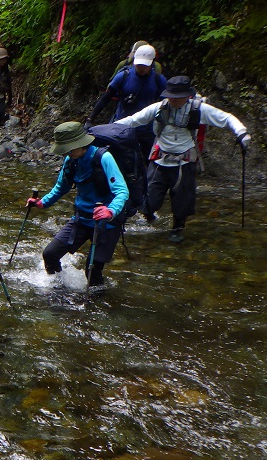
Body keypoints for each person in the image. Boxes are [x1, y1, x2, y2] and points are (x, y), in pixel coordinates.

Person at [114, 76, 251, 242]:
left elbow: (226, 118)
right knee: (149, 199)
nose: (172, 100)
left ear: (187, 96)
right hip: (159, 160)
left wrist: (241, 132)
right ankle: (149, 218)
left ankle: (177, 227)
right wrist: (108, 130)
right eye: (170, 96)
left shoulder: (199, 110)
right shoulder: (158, 108)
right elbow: (134, 120)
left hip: (184, 162)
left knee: (182, 201)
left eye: (176, 97)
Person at [26, 122, 128, 286]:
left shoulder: (104, 158)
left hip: (106, 224)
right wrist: (42, 203)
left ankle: (97, 301)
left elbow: (122, 191)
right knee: (50, 254)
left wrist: (110, 210)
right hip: (81, 219)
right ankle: (59, 288)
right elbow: (61, 187)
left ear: (83, 144)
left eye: (70, 148)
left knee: (92, 270)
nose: (67, 152)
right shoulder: (71, 161)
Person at [85, 44, 166, 157]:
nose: (141, 68)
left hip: (147, 129)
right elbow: (106, 98)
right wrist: (90, 119)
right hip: (122, 126)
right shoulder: (123, 76)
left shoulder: (159, 80)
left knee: (148, 159)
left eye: (145, 65)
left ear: (152, 63)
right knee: (117, 158)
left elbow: (165, 104)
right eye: (139, 64)